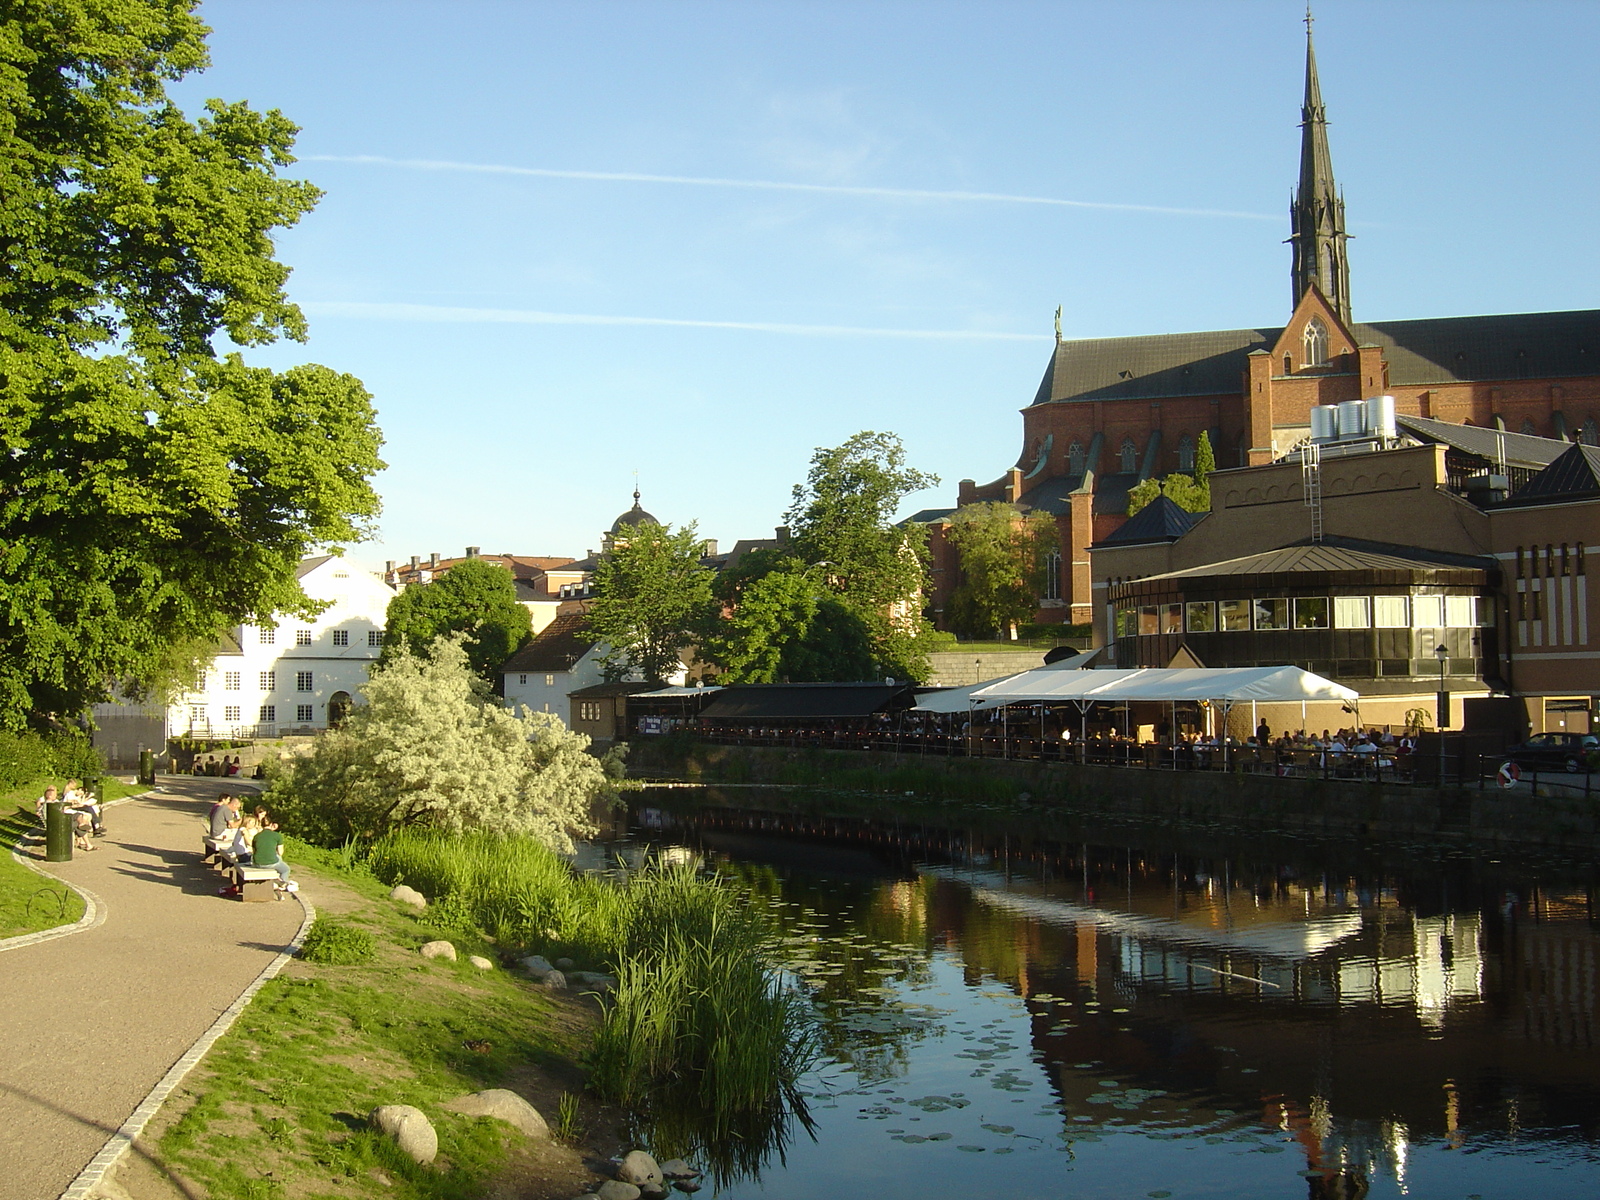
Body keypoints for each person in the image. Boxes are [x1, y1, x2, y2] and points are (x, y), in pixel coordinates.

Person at [251, 820, 291, 890]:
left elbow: (254, 851)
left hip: (256, 863)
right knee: (286, 869)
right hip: (270, 863)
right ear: (271, 824)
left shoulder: (257, 836)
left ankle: (277, 881)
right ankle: (282, 884)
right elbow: (280, 852)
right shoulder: (277, 836)